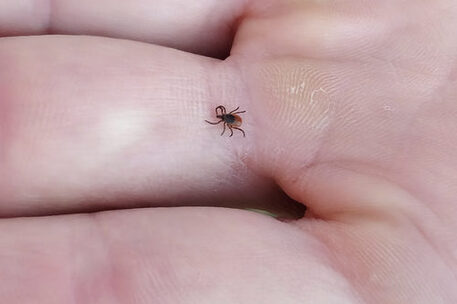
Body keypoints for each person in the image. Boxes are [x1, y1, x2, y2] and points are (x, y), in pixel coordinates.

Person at [0, 0, 456, 302]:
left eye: (226, 119)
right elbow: (227, 121)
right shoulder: (230, 119)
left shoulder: (226, 118)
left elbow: (224, 120)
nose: (225, 121)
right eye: (226, 119)